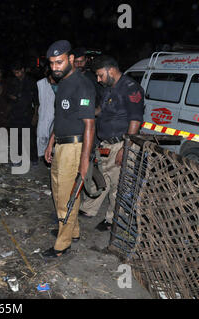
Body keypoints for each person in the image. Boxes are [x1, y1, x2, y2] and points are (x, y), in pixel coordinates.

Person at [79, 55, 144, 231]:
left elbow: (136, 120)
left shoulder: (131, 88)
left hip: (122, 143)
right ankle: (89, 209)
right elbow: (102, 110)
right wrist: (87, 112)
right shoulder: (109, 89)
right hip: (106, 144)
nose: (98, 80)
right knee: (100, 178)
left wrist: (126, 147)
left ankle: (112, 220)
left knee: (118, 184)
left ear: (111, 70)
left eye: (100, 75)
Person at [43, 40, 96, 258]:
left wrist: (84, 160)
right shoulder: (63, 83)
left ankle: (62, 245)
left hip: (75, 147)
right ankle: (72, 230)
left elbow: (89, 125)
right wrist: (50, 142)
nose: (55, 67)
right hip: (61, 145)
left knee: (67, 195)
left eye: (59, 62)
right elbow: (61, 117)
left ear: (71, 59)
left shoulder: (82, 84)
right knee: (58, 190)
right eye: (52, 63)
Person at [7, 62, 39, 167]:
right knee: (16, 137)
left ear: (23, 70)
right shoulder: (12, 82)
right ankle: (17, 159)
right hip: (15, 114)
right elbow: (8, 96)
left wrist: (35, 115)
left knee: (30, 138)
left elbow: (36, 101)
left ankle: (34, 159)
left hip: (28, 113)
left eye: (18, 72)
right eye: (15, 73)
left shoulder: (31, 82)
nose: (17, 74)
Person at [36, 67, 56, 161]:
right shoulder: (40, 83)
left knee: (52, 136)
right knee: (41, 134)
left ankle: (50, 155)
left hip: (54, 113)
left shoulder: (58, 84)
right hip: (43, 113)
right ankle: (42, 154)